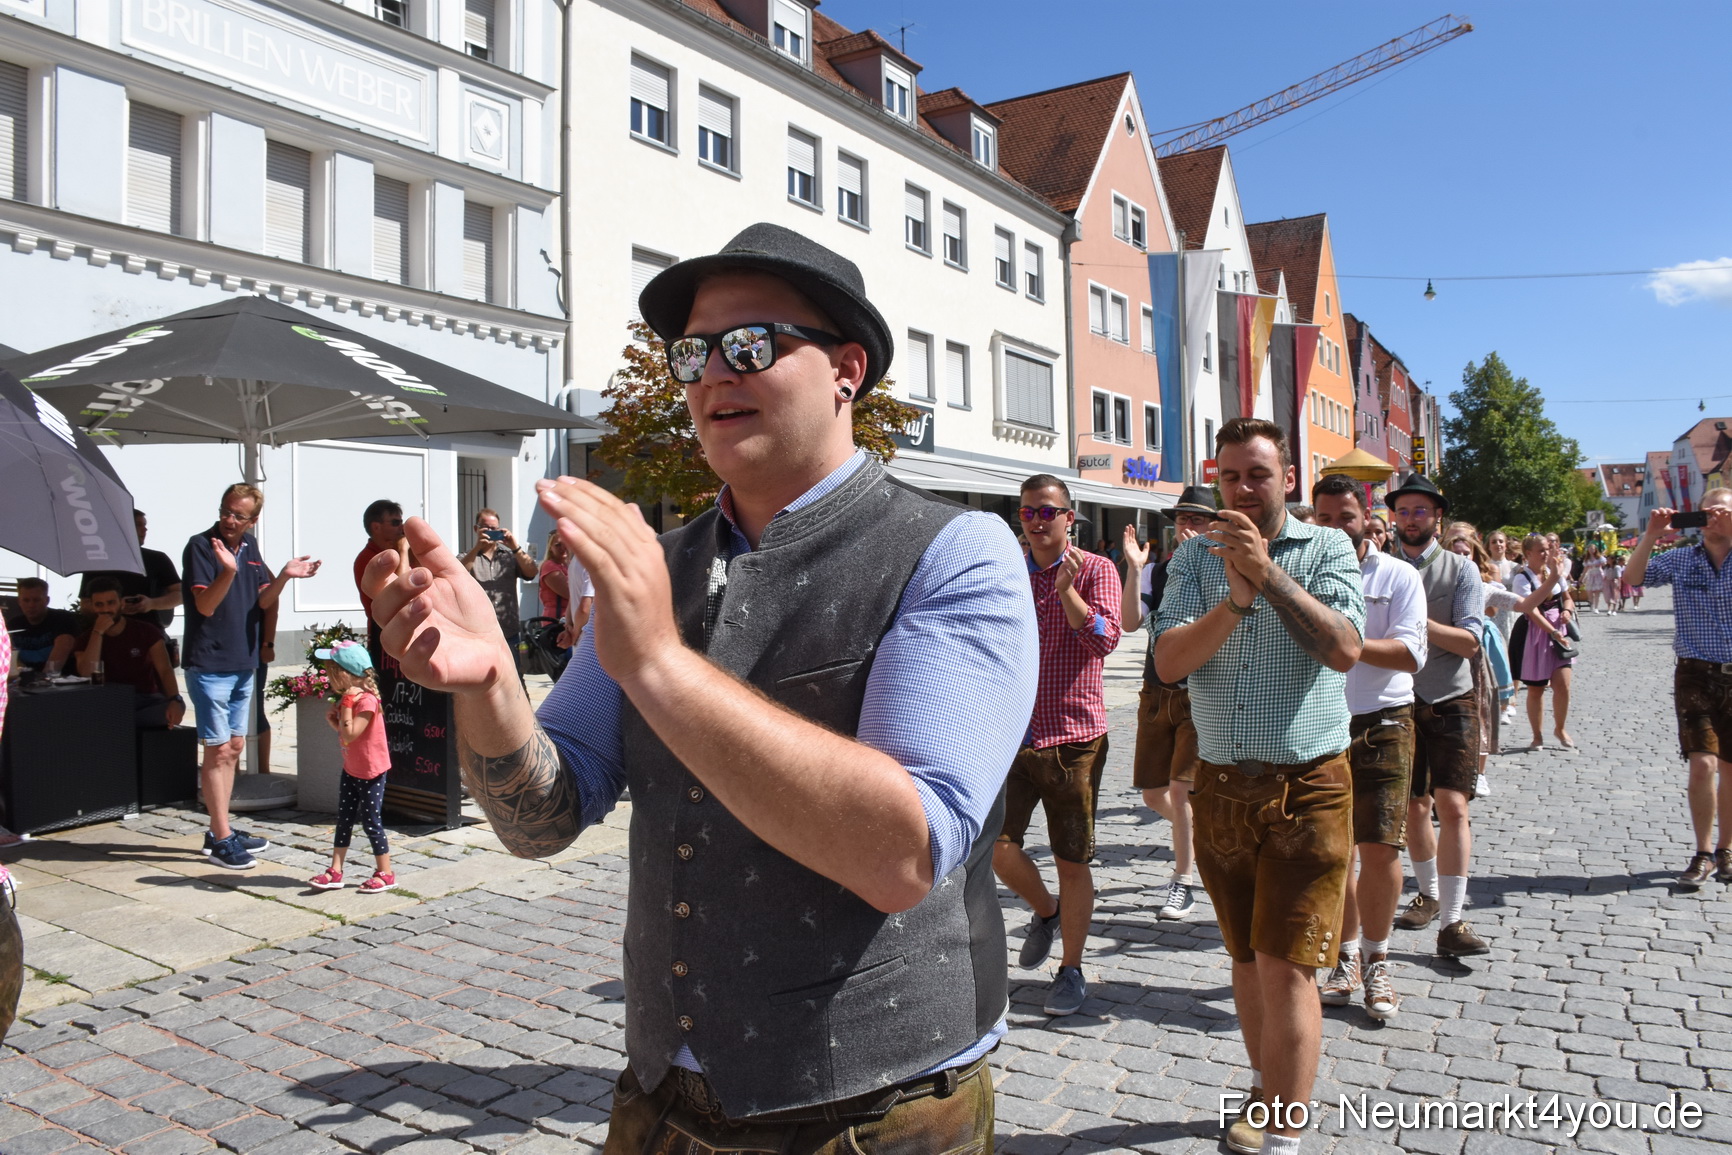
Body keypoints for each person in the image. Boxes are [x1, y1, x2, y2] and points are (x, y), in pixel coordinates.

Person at [361, 223, 1037, 1148]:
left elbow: (901, 855)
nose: (713, 371)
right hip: (662, 1097)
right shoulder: (659, 570)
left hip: (876, 1110)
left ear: (847, 369)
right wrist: (488, 686)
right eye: (692, 352)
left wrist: (660, 662)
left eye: (752, 343)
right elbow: (541, 818)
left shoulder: (956, 553)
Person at [1153, 418, 1364, 1155]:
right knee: (1245, 956)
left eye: (1259, 474)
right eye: (1232, 475)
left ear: (1289, 477)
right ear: (1217, 478)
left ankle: (1284, 1133)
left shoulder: (1329, 546)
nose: (1244, 487)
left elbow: (1343, 648)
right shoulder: (1193, 557)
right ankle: (1264, 1084)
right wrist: (1234, 599)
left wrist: (1269, 575)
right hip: (1220, 787)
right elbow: (1169, 662)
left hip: (1308, 785)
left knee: (1288, 964)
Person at [995, 474, 1121, 1017]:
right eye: (1028, 513)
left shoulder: (1096, 568)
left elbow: (1103, 640)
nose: (1037, 521)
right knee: (996, 846)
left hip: (1074, 739)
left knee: (1072, 860)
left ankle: (1070, 969)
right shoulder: (1005, 571)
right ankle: (1045, 911)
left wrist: (1067, 589)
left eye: (1048, 512)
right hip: (1012, 732)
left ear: (1071, 518)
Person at [1311, 474, 1425, 1022]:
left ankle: (1379, 959)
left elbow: (1409, 654)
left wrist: (1346, 647)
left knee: (1379, 848)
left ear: (1366, 517)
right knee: (1337, 854)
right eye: (1325, 518)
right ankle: (1345, 956)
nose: (1335, 528)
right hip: (1318, 720)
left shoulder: (1399, 575)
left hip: (1384, 720)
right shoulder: (1299, 574)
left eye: (1346, 517)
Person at [183, 483, 320, 869]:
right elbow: (205, 605)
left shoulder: (250, 546)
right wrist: (226, 571)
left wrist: (287, 576)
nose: (229, 520)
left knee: (235, 748)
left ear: (252, 520)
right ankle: (221, 835)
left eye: (238, 515)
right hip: (210, 664)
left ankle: (219, 830)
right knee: (217, 749)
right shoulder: (202, 545)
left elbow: (262, 600)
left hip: (244, 663)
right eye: (226, 511)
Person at [1384, 474, 1489, 959]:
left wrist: (1415, 621)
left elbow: (1470, 642)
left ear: (1437, 518)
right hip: (1397, 701)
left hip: (1450, 698)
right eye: (1403, 511)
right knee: (1413, 808)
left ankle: (1453, 920)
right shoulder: (1379, 568)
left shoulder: (1460, 569)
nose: (1410, 520)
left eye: (1420, 511)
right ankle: (1426, 895)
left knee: (1454, 806)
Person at [1624, 492, 1732, 888]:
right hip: (1695, 674)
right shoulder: (1683, 558)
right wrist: (1651, 535)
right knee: (1703, 763)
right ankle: (1703, 851)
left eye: (1723, 511)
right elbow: (1634, 578)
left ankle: (1726, 848)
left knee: (1731, 769)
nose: (1714, 518)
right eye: (1708, 511)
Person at [1120, 487, 1218, 923]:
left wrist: (1199, 563)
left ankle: (1183, 882)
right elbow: (1128, 622)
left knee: (1179, 791)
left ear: (1215, 525)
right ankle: (1203, 833)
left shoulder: (1221, 569)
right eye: (1182, 519)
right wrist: (1134, 568)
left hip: (1199, 692)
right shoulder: (1157, 572)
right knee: (1153, 793)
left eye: (1197, 520)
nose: (1187, 527)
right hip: (1156, 691)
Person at [306, 642, 396, 894]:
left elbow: (350, 735)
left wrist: (345, 707)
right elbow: (347, 735)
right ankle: (335, 870)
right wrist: (334, 720)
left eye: (330, 671)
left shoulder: (366, 701)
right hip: (352, 769)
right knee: (343, 820)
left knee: (371, 821)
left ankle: (386, 873)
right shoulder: (355, 700)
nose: (327, 676)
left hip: (371, 772)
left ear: (343, 673)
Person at [73, 578, 184, 727]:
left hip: (146, 700)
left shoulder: (146, 631)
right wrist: (98, 632)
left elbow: (165, 670)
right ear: (93, 607)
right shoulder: (86, 638)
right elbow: (87, 673)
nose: (105, 609)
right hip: (107, 701)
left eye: (111, 603)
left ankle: (121, 724)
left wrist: (174, 699)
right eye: (99, 604)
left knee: (168, 711)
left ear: (121, 603)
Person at [1509, 534, 1576, 750]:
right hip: (1535, 634)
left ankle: (1560, 727)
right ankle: (1537, 735)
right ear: (1528, 553)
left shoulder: (1554, 572)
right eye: (1541, 550)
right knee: (1536, 689)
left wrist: (1567, 610)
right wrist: (1552, 631)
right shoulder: (1522, 578)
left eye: (1547, 548)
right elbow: (1531, 609)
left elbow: (1567, 597)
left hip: (1559, 632)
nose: (1546, 553)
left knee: (1563, 685)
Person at [79, 508, 183, 641]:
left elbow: (180, 595)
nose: (144, 530)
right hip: (106, 635)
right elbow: (85, 604)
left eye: (145, 525)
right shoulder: (98, 561)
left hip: (149, 635)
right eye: (138, 525)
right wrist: (113, 608)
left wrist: (151, 604)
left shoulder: (157, 559)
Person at [461, 507, 537, 671]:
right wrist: (477, 548)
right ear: (476, 529)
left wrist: (515, 547)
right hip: (478, 633)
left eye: (494, 529)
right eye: (485, 527)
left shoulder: (510, 556)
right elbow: (458, 573)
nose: (490, 532)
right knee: (480, 678)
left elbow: (532, 572)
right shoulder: (468, 556)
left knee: (515, 678)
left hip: (508, 632)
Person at [354, 500, 408, 665]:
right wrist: (404, 551)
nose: (402, 527)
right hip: (385, 636)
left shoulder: (395, 551)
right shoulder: (368, 559)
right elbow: (403, 592)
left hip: (404, 632)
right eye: (395, 523)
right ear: (376, 527)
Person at [3, 579, 77, 675]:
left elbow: (55, 665)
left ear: (47, 600)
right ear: (19, 601)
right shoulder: (13, 624)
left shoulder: (62, 620)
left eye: (36, 600)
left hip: (59, 683)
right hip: (24, 682)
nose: (31, 605)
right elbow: (10, 660)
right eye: (26, 600)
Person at [1583, 541, 1607, 613]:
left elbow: (1604, 564)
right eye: (1590, 549)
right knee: (1590, 592)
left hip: (1598, 574)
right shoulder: (1587, 559)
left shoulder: (1599, 557)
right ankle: (1592, 605)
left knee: (1597, 592)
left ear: (1595, 549)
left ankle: (1596, 607)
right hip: (1590, 574)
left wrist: (1600, 564)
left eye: (1593, 549)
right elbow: (1585, 569)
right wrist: (1581, 578)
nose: (1591, 550)